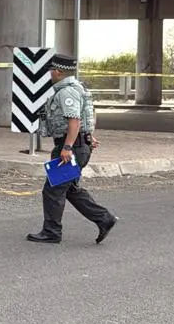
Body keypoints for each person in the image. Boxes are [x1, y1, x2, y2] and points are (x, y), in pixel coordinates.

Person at [26, 54, 118, 245]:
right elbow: (87, 115)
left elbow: (74, 120)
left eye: (51, 70)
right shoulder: (78, 87)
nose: (49, 73)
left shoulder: (67, 92)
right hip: (78, 145)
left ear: (58, 71)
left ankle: (52, 232)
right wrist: (88, 136)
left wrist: (67, 147)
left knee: (52, 190)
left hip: (70, 148)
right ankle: (104, 219)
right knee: (70, 189)